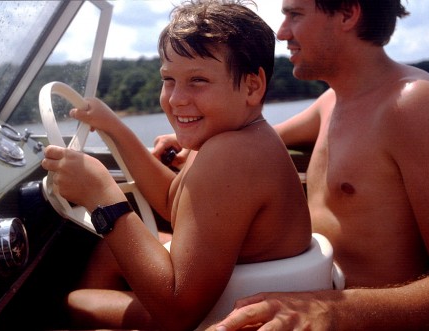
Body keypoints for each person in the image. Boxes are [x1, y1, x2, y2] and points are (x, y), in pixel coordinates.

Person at [153, 0, 429, 329]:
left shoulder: (413, 104)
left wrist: (331, 309)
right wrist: (190, 135)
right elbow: (253, 136)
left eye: (295, 14)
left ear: (347, 13)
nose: (281, 31)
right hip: (299, 300)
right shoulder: (331, 103)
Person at [41, 0, 312, 329]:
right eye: (169, 79)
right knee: (111, 252)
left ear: (252, 86)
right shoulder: (229, 137)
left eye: (197, 80)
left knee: (77, 299)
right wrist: (115, 127)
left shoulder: (233, 155)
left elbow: (177, 312)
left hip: (220, 315)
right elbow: (174, 202)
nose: (176, 98)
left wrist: (100, 195)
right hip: (222, 294)